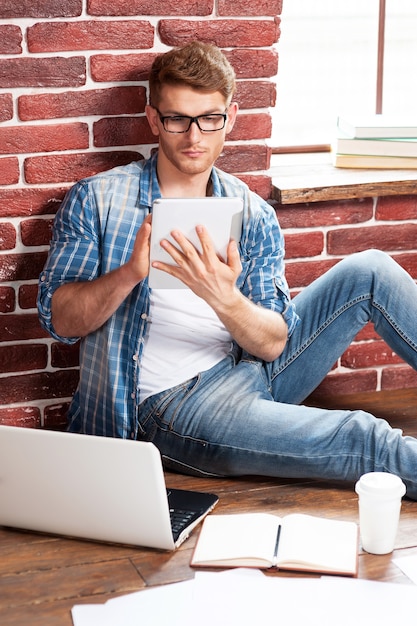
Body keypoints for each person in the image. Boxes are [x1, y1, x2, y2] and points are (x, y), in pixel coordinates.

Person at [38, 41, 417, 499]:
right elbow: (61, 322)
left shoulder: (250, 212)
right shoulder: (99, 200)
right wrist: (129, 273)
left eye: (209, 120)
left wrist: (221, 295)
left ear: (230, 119)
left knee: (370, 271)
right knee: (364, 437)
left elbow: (273, 343)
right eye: (177, 119)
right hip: (174, 405)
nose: (194, 137)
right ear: (155, 118)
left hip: (251, 367)